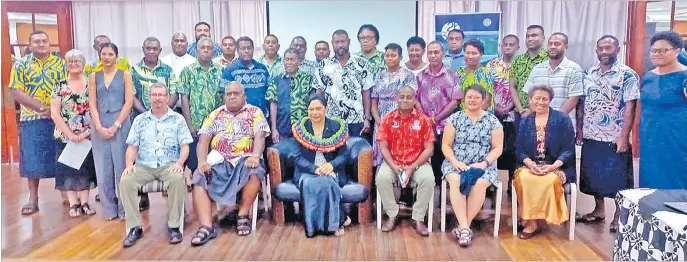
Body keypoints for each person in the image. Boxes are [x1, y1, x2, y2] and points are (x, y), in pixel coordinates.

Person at [190, 82, 270, 245]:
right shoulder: (215, 114)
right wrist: (201, 161)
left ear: (244, 96)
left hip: (245, 157)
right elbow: (203, 140)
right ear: (224, 96)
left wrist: (255, 156)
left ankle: (242, 215)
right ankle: (206, 226)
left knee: (254, 171)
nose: (232, 96)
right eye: (229, 94)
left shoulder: (255, 113)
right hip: (221, 159)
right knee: (199, 175)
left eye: (236, 93)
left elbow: (260, 137)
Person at [578, 35, 639, 232]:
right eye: (600, 48)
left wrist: (624, 136)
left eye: (608, 48)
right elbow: (582, 102)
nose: (604, 52)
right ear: (596, 51)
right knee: (593, 175)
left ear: (617, 50)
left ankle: (618, 215)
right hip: (591, 133)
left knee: (617, 178)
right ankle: (599, 210)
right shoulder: (589, 72)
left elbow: (631, 107)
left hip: (614, 135)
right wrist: (579, 128)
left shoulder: (627, 75)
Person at [119, 83, 192, 248]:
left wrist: (180, 163)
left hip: (169, 165)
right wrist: (129, 164)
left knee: (177, 179)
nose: (157, 98)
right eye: (154, 95)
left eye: (161, 95)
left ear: (167, 97)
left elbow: (185, 146)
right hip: (145, 166)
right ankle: (134, 227)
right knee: (126, 180)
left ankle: (174, 226)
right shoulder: (140, 120)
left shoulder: (177, 119)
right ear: (149, 98)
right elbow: (132, 146)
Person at [9, 30, 67, 215]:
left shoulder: (61, 64)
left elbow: (68, 88)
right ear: (30, 45)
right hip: (31, 118)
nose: (41, 44)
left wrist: (55, 110)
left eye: (44, 41)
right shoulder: (21, 64)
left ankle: (66, 194)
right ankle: (33, 198)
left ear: (49, 43)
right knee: (32, 158)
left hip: (59, 118)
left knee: (62, 157)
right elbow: (17, 92)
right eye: (36, 42)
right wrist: (44, 108)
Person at [441, 85, 504, 246]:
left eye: (477, 97)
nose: (472, 100)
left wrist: (484, 163)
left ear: (484, 100)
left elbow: (498, 148)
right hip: (455, 163)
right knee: (455, 180)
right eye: (469, 97)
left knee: (480, 184)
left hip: (484, 165)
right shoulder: (455, 119)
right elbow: (446, 145)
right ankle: (465, 229)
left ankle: (463, 228)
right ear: (464, 100)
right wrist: (455, 162)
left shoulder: (492, 121)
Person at [291, 94, 360, 237]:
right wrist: (314, 169)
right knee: (311, 183)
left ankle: (333, 224)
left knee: (328, 182)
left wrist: (331, 165)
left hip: (331, 170)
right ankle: (316, 227)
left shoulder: (337, 127)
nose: (315, 112)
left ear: (325, 109)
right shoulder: (301, 128)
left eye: (318, 108)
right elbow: (296, 157)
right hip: (307, 171)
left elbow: (343, 155)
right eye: (311, 109)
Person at [513, 85, 576, 239]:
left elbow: (569, 149)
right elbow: (518, 149)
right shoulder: (525, 121)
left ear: (550, 101)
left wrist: (553, 166)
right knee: (524, 179)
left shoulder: (562, 119)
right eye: (537, 98)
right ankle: (531, 221)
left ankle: (544, 217)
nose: (540, 102)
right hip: (530, 165)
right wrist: (530, 164)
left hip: (556, 166)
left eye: (545, 99)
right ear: (530, 100)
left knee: (549, 181)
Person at [376, 86, 435, 236]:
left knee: (428, 179)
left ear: (414, 100)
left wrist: (412, 167)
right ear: (396, 99)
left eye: (409, 97)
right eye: (401, 97)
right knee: (381, 178)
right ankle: (392, 214)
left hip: (418, 162)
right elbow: (383, 148)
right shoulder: (388, 118)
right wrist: (395, 167)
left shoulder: (423, 120)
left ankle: (418, 218)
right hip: (393, 161)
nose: (405, 100)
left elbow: (429, 149)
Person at [88, 42, 134, 220]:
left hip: (121, 124)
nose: (106, 57)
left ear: (116, 56)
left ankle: (124, 208)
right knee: (103, 168)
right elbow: (92, 102)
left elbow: (128, 102)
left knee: (122, 168)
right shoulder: (94, 76)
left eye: (110, 54)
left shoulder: (125, 74)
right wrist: (98, 126)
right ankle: (108, 209)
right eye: (103, 54)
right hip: (99, 124)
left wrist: (116, 125)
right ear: (99, 56)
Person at [50, 49, 97, 217]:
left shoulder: (91, 84)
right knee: (68, 169)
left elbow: (95, 109)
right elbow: (55, 112)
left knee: (85, 168)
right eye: (70, 61)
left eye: (77, 61)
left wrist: (86, 132)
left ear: (83, 64)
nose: (74, 64)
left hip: (88, 134)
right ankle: (73, 204)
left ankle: (85, 202)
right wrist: (70, 134)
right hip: (64, 134)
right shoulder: (60, 85)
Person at [638, 31, 687, 189]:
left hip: (677, 138)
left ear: (678, 51)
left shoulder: (684, 76)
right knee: (650, 176)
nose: (657, 54)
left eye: (663, 50)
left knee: (676, 178)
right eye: (654, 50)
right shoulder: (648, 77)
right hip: (650, 137)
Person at [415, 41, 463, 184]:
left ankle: (444, 191)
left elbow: (456, 101)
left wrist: (435, 119)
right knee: (424, 158)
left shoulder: (452, 75)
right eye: (430, 53)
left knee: (443, 159)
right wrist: (426, 118)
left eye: (436, 52)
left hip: (445, 126)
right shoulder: (420, 76)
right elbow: (415, 99)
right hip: (425, 125)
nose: (433, 55)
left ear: (443, 53)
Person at [314, 29, 373, 136]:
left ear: (349, 42)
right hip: (331, 120)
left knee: (356, 151)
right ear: (332, 44)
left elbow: (366, 92)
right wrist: (318, 117)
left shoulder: (361, 63)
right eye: (337, 42)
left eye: (343, 41)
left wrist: (367, 118)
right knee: (331, 152)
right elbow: (319, 93)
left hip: (356, 120)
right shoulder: (324, 65)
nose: (340, 45)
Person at [179, 37, 224, 175]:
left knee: (216, 162)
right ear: (197, 50)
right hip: (196, 125)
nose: (206, 50)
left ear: (214, 51)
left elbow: (224, 98)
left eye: (209, 48)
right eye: (202, 47)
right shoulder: (187, 71)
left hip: (218, 126)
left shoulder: (222, 70)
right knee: (196, 164)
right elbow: (184, 98)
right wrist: (189, 124)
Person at [523, 32, 584, 130]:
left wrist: (554, 120)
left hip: (563, 125)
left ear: (566, 47)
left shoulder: (574, 69)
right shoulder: (537, 68)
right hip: (537, 126)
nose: (552, 46)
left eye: (557, 44)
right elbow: (530, 95)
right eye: (550, 44)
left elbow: (573, 98)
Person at [371, 43, 417, 167]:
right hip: (381, 120)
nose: (389, 58)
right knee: (382, 152)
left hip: (402, 119)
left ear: (401, 57)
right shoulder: (379, 75)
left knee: (401, 151)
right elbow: (374, 100)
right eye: (387, 55)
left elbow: (411, 98)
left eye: (393, 55)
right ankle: (380, 183)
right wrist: (378, 121)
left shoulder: (408, 75)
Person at [487, 35, 520, 194]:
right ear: (500, 46)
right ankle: (492, 182)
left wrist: (511, 106)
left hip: (515, 116)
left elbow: (523, 90)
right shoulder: (491, 65)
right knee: (492, 149)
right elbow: (487, 89)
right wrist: (496, 107)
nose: (508, 47)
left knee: (513, 150)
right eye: (505, 44)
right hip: (495, 115)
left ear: (517, 47)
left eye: (512, 45)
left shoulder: (522, 65)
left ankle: (512, 186)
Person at [266, 48, 313, 143]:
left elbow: (313, 104)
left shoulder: (308, 79)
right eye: (287, 59)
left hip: (304, 129)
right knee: (281, 156)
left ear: (299, 61)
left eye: (292, 59)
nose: (289, 62)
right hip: (282, 128)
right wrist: (274, 129)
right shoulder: (276, 80)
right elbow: (273, 105)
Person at [221, 36, 270, 117]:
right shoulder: (230, 70)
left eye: (249, 48)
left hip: (262, 117)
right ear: (238, 51)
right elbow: (224, 95)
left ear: (253, 49)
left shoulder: (262, 68)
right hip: (240, 118)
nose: (246, 51)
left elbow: (269, 93)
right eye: (243, 48)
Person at [509, 25, 548, 121]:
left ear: (543, 38)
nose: (530, 38)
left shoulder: (549, 59)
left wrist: (531, 110)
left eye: (534, 35)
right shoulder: (518, 60)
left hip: (543, 112)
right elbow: (512, 86)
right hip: (520, 114)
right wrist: (521, 110)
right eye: (527, 36)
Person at [131, 36, 178, 115]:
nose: (151, 51)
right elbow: (131, 96)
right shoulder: (134, 71)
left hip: (165, 117)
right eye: (148, 48)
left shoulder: (168, 71)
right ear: (143, 49)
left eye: (155, 49)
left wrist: (163, 113)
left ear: (160, 51)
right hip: (140, 117)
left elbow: (174, 94)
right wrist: (147, 115)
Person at [456, 40, 496, 110]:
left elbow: (487, 101)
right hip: (462, 116)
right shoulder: (459, 72)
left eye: (474, 53)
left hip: (482, 115)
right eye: (467, 53)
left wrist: (474, 117)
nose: (470, 56)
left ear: (481, 54)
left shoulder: (487, 73)